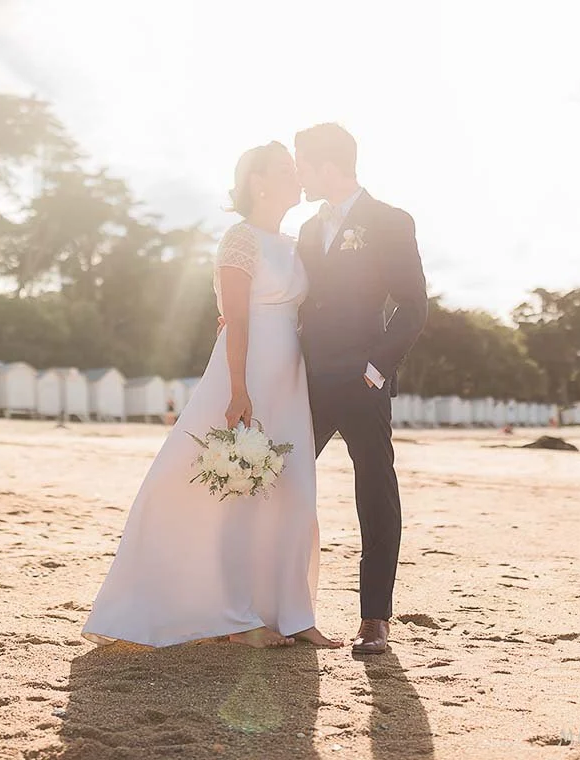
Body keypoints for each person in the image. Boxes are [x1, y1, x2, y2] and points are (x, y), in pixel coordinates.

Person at [79, 142, 341, 649]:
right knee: (233, 487)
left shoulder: (293, 242)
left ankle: (294, 611)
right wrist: (238, 389)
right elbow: (238, 319)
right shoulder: (240, 239)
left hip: (290, 375)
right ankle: (236, 617)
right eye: (285, 170)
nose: (295, 178)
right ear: (258, 181)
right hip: (246, 371)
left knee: (292, 490)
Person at [294, 123, 428, 654]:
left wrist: (376, 369)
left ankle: (375, 618)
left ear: (329, 165)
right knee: (284, 481)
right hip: (307, 378)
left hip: (362, 379)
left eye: (304, 164)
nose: (300, 174)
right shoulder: (306, 230)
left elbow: (413, 305)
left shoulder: (390, 221)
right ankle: (280, 602)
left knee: (374, 490)